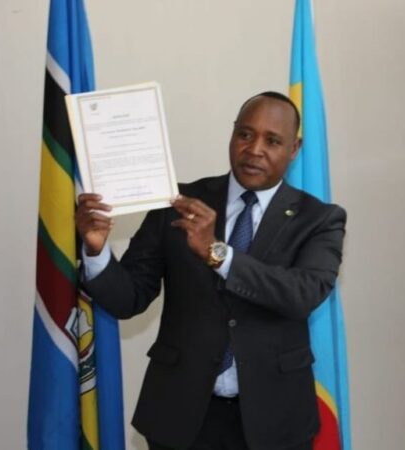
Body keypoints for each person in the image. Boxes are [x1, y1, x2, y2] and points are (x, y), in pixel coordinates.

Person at [76, 91, 346, 450]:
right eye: (245, 134)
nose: (254, 150)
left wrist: (217, 254)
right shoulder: (178, 203)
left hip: (274, 423)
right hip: (180, 416)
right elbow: (130, 298)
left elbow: (302, 294)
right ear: (233, 134)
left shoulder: (319, 219)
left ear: (294, 149)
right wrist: (95, 251)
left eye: (272, 140)